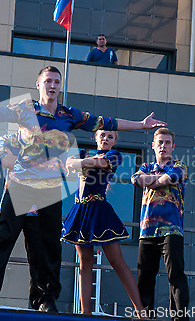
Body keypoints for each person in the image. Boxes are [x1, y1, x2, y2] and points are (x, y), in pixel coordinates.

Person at [0, 65, 166, 312]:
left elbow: (108, 122)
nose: (52, 85)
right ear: (38, 85)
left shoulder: (69, 115)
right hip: (20, 184)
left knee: (47, 244)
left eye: (56, 82)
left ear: (60, 86)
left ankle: (45, 299)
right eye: (48, 81)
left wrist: (141, 125)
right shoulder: (25, 109)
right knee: (2, 238)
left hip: (50, 188)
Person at [62, 130, 144, 316]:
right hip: (80, 211)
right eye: (103, 135)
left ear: (114, 141)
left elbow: (100, 163)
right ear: (96, 137)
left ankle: (140, 310)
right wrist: (79, 162)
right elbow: (67, 162)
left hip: (100, 210)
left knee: (117, 261)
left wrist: (79, 164)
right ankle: (86, 312)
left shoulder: (113, 156)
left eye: (110, 137)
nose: (105, 139)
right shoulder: (83, 153)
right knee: (85, 262)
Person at [131, 128, 189, 321]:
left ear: (173, 146)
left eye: (167, 143)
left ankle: (179, 317)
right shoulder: (146, 166)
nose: (163, 146)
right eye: (160, 142)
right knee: (145, 276)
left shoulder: (180, 165)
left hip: (171, 229)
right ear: (153, 145)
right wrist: (158, 179)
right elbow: (137, 179)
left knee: (175, 275)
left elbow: (173, 177)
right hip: (147, 231)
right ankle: (145, 316)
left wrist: (152, 182)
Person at [0, 132, 43, 310]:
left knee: (40, 258)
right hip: (13, 204)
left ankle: (42, 301)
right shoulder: (9, 139)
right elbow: (6, 161)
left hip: (39, 208)